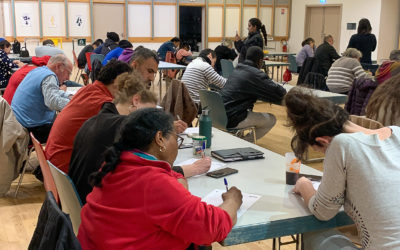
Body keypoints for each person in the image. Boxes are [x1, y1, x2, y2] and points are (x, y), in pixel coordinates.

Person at [77, 108, 243, 249]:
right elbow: (212, 227)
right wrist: (233, 200)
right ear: (160, 139)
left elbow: (172, 175)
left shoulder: (116, 164)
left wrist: (177, 186)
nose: (176, 145)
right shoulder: (154, 183)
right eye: (175, 138)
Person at [285, 87, 400, 249]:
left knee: (313, 232)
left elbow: (323, 211)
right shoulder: (397, 132)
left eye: (321, 151)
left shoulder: (341, 144)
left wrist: (304, 185)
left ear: (323, 141)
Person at [69, 72, 210, 204]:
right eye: (149, 115)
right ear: (136, 100)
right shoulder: (124, 129)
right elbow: (151, 177)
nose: (152, 123)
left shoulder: (94, 121)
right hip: (99, 208)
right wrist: (191, 169)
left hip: (81, 205)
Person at [45, 60, 132, 173]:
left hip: (55, 166)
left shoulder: (87, 90)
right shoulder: (103, 103)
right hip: (67, 170)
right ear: (117, 81)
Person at [220, 46, 286, 141]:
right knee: (271, 119)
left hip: (220, 115)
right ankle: (246, 142)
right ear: (260, 61)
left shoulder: (237, 69)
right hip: (233, 118)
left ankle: (238, 139)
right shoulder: (256, 74)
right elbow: (280, 92)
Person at [11, 54, 73, 143]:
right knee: (75, 130)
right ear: (58, 66)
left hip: (18, 123)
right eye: (68, 73)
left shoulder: (38, 70)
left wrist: (68, 96)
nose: (68, 78)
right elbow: (53, 102)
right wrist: (75, 104)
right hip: (32, 129)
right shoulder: (49, 76)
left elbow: (52, 92)